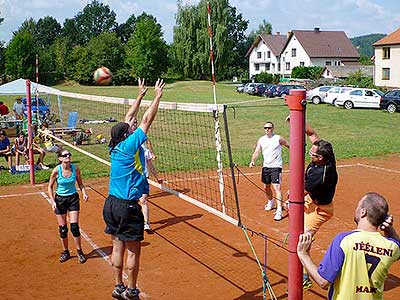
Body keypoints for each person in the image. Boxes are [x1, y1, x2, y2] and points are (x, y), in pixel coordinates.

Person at [103, 78, 165, 300]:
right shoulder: (131, 145)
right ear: (126, 135)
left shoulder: (115, 146)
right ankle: (132, 290)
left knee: (117, 248)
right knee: (133, 251)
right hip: (128, 207)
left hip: (111, 204)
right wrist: (157, 96)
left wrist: (140, 95)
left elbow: (128, 119)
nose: (131, 127)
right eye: (129, 129)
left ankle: (118, 286)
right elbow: (147, 119)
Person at [297, 192, 400, 300]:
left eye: (359, 206)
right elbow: (397, 245)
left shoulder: (344, 240)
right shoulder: (391, 246)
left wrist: (304, 254)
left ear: (363, 212)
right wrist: (389, 228)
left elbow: (323, 281)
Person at [47, 149, 89, 264]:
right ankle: (65, 251)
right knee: (63, 229)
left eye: (69, 154)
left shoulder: (75, 169)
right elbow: (49, 187)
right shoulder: (56, 170)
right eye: (65, 155)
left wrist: (84, 193)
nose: (68, 156)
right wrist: (52, 201)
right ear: (60, 158)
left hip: (73, 199)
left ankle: (79, 251)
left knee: (74, 227)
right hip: (60, 200)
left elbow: (80, 183)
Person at [249, 121, 289, 221]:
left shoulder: (278, 138)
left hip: (276, 166)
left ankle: (279, 210)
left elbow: (289, 145)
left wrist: (296, 154)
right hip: (266, 167)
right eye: (265, 128)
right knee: (266, 187)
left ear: (273, 129)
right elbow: (257, 151)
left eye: (269, 128)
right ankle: (270, 202)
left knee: (277, 188)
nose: (267, 129)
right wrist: (252, 161)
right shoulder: (261, 140)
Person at [140, 141, 163, 232]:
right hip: (131, 179)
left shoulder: (145, 151)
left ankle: (146, 223)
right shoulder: (130, 149)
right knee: (131, 201)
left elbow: (150, 166)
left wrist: (157, 177)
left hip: (143, 178)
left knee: (143, 200)